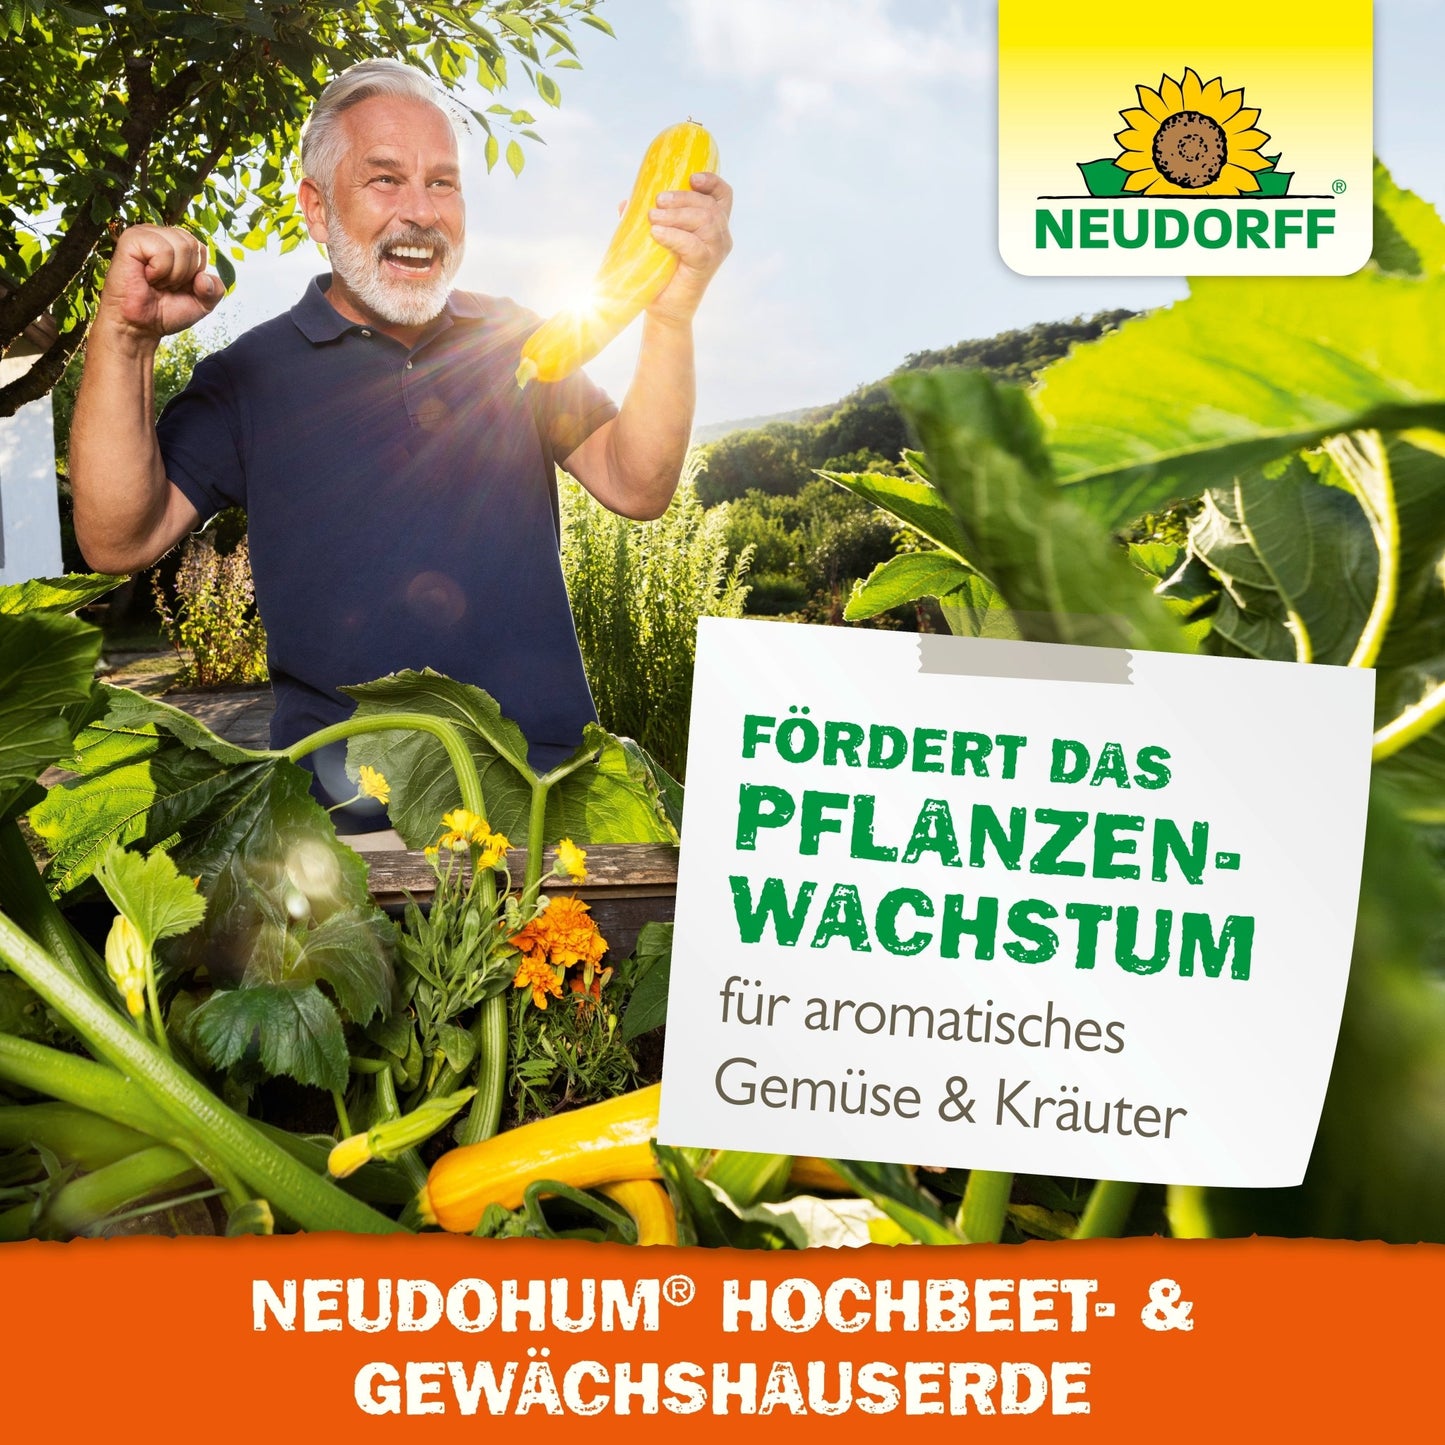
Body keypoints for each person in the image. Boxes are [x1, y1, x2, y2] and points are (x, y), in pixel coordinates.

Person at [69, 59, 733, 829]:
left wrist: (672, 313)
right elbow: (117, 536)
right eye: (385, 179)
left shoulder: (517, 339)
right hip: (346, 832)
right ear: (317, 210)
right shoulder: (251, 375)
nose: (420, 212)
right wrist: (122, 338)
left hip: (548, 802)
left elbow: (637, 483)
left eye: (443, 183)